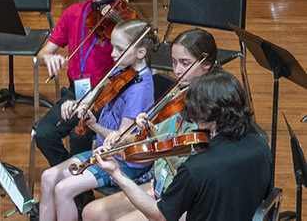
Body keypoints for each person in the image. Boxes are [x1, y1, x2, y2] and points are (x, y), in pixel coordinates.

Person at [95, 69, 272, 221]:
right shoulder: (261, 144)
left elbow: (159, 216)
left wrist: (116, 173)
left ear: (205, 115)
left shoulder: (195, 168)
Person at [81, 28, 219, 220]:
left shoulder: (212, 106)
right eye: (174, 62)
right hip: (161, 184)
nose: (177, 71)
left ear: (207, 64)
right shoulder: (176, 93)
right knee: (90, 213)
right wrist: (123, 139)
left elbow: (186, 156)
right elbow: (153, 140)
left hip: (184, 197)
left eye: (185, 63)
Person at [39, 20, 156, 221]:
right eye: (113, 47)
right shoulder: (121, 70)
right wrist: (79, 103)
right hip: (105, 153)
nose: (112, 54)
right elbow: (97, 94)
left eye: (119, 49)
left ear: (141, 53)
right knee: (48, 177)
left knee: (63, 189)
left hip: (124, 162)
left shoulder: (139, 89)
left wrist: (94, 125)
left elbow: (119, 142)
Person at [33, 0, 122, 169]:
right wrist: (49, 58)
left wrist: (90, 99)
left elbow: (128, 68)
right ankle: (76, 188)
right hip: (75, 92)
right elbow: (43, 53)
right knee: (43, 133)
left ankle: (77, 190)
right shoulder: (73, 13)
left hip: (105, 95)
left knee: (79, 135)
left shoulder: (122, 20)